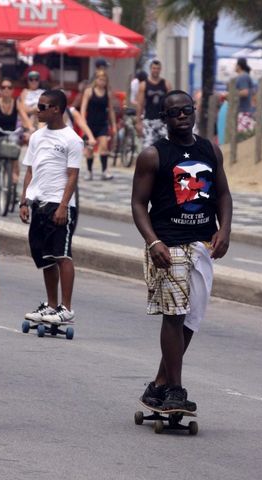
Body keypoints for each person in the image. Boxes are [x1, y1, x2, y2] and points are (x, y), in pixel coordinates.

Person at [131, 90, 232, 411]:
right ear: (165, 118)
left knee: (193, 318)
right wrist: (153, 241)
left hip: (202, 243)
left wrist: (225, 229)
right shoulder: (153, 155)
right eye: (175, 113)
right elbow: (137, 203)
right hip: (168, 244)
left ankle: (159, 384)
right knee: (174, 315)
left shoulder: (209, 150)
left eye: (187, 110)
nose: (183, 116)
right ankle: (175, 389)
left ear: (194, 111)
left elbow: (224, 195)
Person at [19, 89, 83, 325]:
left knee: (62, 255)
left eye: (43, 107)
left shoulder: (72, 139)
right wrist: (24, 200)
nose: (38, 110)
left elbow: (73, 175)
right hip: (39, 203)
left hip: (60, 204)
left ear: (56, 109)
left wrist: (63, 206)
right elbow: (29, 170)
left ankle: (66, 308)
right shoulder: (36, 137)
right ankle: (51, 305)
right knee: (45, 257)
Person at [0, 78, 33, 199]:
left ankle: (13, 184)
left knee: (15, 158)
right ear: (0, 89)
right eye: (3, 87)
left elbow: (24, 117)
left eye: (9, 87)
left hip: (10, 134)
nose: (6, 90)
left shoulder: (16, 103)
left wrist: (30, 127)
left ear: (13, 90)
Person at [81, 70, 117, 181]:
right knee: (90, 149)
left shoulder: (108, 93)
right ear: (96, 80)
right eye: (100, 79)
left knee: (104, 146)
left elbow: (111, 110)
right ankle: (89, 171)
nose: (102, 82)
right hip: (90, 124)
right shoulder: (89, 91)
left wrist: (114, 125)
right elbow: (83, 108)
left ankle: (104, 171)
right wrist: (83, 124)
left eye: (104, 80)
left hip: (103, 124)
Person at [135, 59, 172, 149]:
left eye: (158, 68)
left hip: (162, 121)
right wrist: (138, 122)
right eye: (154, 68)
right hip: (149, 121)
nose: (155, 70)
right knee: (148, 147)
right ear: (150, 69)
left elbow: (171, 103)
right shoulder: (144, 85)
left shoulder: (166, 84)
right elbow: (140, 104)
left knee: (165, 147)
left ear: (160, 70)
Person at [234, 57, 256, 132]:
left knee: (242, 135)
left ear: (239, 66)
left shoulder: (243, 77)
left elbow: (245, 92)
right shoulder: (245, 76)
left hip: (244, 111)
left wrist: (230, 94)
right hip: (245, 111)